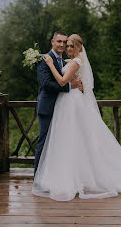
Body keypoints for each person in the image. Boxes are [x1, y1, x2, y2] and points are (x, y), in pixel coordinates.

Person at [32, 34, 121, 201]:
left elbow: (61, 81)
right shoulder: (66, 60)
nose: (67, 48)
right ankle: (51, 176)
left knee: (74, 140)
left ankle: (75, 177)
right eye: (65, 45)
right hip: (62, 104)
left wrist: (55, 68)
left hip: (70, 104)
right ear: (53, 42)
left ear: (79, 47)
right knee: (63, 140)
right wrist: (69, 78)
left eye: (70, 45)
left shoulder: (71, 61)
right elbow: (50, 82)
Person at [34, 31, 82, 174]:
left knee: (59, 143)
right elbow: (46, 84)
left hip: (63, 108)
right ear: (52, 42)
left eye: (64, 42)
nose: (62, 45)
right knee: (44, 143)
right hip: (48, 107)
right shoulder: (44, 60)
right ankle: (38, 176)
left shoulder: (63, 61)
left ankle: (54, 175)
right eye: (59, 41)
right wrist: (69, 86)